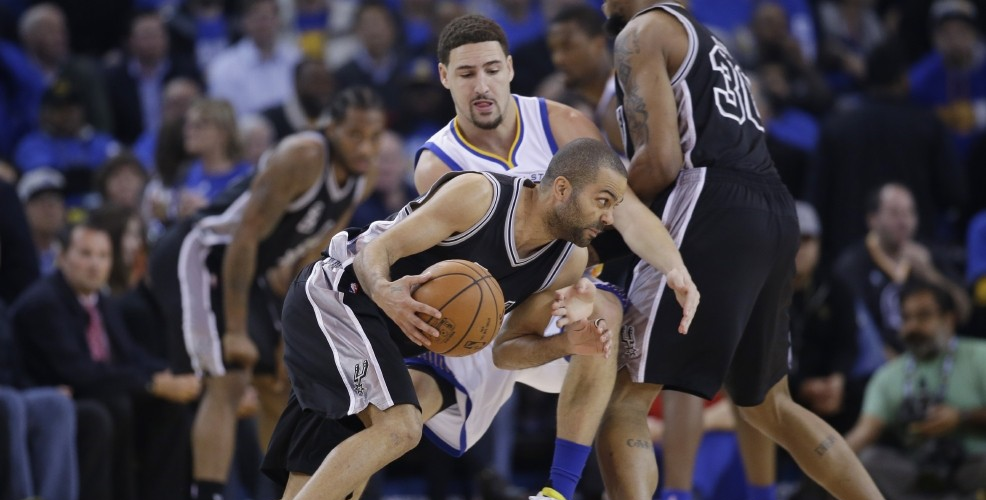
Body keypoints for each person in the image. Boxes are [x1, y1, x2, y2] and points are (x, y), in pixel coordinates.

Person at [598, 2, 884, 499]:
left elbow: (662, 161)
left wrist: (599, 215)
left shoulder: (641, 31)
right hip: (773, 207)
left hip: (710, 201)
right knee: (769, 405)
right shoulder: (710, 40)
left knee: (621, 397)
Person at [412, 14, 698, 500]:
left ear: (509, 68)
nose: (480, 85)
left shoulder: (560, 123)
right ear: (444, 77)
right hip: (487, 312)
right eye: (465, 74)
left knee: (605, 335)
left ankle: (557, 492)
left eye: (490, 70)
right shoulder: (437, 165)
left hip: (562, 300)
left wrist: (675, 267)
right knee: (399, 412)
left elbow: (624, 209)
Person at [261, 138, 625, 499]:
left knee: (332, 464)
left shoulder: (567, 262)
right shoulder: (480, 196)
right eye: (602, 201)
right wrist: (385, 292)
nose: (609, 218)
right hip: (339, 295)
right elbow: (377, 251)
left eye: (614, 207)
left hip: (379, 337)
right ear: (562, 188)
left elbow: (507, 352)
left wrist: (564, 343)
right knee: (400, 428)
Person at [147, 86, 385, 500]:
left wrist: (289, 331)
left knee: (279, 381)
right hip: (200, 250)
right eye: (354, 135)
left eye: (374, 136)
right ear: (330, 128)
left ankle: (292, 493)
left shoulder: (362, 178)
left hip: (249, 268)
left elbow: (312, 257)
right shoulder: (304, 155)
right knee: (231, 374)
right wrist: (237, 330)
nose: (366, 147)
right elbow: (244, 237)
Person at [9, 221, 201, 500]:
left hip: (97, 389)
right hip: (51, 394)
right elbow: (79, 373)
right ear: (61, 256)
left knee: (169, 408)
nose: (95, 265)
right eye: (85, 254)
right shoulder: (44, 303)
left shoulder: (99, 300)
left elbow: (129, 354)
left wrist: (167, 375)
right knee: (110, 410)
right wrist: (149, 384)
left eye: (103, 256)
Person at [846, 280, 986, 499]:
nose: (912, 327)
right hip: (917, 475)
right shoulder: (888, 376)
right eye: (906, 318)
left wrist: (961, 417)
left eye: (924, 316)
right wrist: (826, 457)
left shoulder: (980, 356)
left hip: (972, 467)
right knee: (869, 461)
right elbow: (863, 434)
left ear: (948, 320)